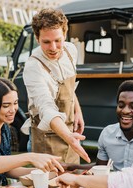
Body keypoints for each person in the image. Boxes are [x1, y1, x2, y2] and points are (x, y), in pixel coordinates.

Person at [21, 8, 90, 164]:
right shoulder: (33, 67)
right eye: (46, 42)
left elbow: (70, 88)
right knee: (48, 186)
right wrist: (70, 138)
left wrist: (77, 111)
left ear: (65, 35)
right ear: (37, 39)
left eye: (58, 40)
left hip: (70, 131)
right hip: (45, 137)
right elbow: (46, 108)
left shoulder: (71, 51)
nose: (53, 47)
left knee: (72, 184)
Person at [65, 80, 133, 172]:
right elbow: (101, 167)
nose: (125, 111)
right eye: (121, 105)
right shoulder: (107, 134)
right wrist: (71, 167)